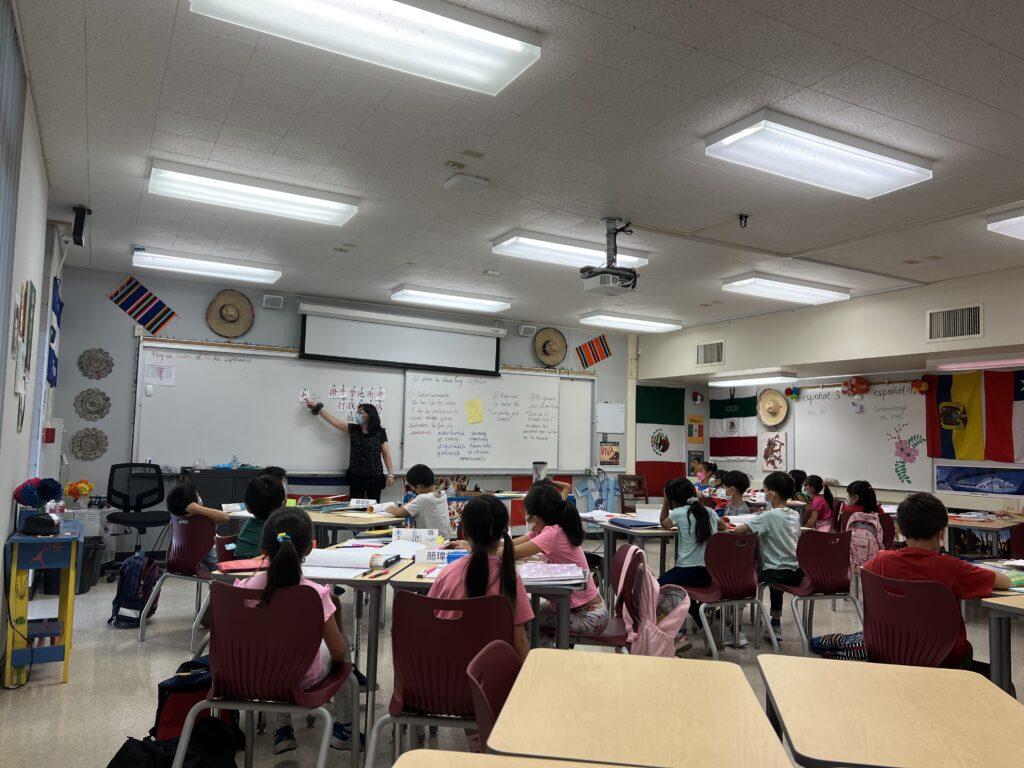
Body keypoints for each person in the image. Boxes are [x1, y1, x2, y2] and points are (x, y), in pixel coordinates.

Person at [234, 508, 361, 754]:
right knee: (343, 652)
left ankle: (282, 730)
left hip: (251, 676)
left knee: (275, 651)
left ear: (263, 549)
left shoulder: (244, 588)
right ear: (309, 548)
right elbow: (336, 652)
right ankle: (344, 730)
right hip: (302, 678)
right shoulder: (314, 594)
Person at [863, 493, 1010, 668]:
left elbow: (863, 571)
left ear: (900, 531)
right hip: (945, 657)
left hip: (888, 652)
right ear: (942, 532)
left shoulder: (882, 560)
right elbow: (1004, 582)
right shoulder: (952, 567)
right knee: (1001, 680)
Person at [428, 495, 533, 661]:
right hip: (490, 679)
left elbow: (429, 621)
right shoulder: (509, 578)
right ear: (504, 533)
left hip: (444, 674)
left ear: (464, 533)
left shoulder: (447, 573)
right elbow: (519, 642)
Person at [512, 483, 608, 635]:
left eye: (529, 518)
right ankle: (544, 652)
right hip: (585, 610)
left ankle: (539, 657)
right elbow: (510, 544)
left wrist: (476, 548)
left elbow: (511, 552)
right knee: (527, 609)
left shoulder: (551, 534)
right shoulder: (552, 524)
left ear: (535, 518)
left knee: (525, 618)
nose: (529, 523)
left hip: (590, 616)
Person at [731, 471, 802, 640]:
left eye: (764, 491)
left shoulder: (768, 516)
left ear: (771, 494)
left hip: (775, 572)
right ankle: (775, 624)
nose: (763, 494)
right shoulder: (795, 514)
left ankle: (735, 628)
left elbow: (740, 531)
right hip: (796, 573)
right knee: (776, 574)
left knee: (743, 578)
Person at [658, 478, 728, 626]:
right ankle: (702, 624)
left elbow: (663, 523)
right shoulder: (709, 512)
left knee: (656, 588)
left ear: (673, 499)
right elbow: (723, 526)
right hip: (710, 573)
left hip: (687, 571)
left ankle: (683, 626)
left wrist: (665, 501)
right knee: (681, 591)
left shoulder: (678, 513)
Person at [304, 399, 395, 500]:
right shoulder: (354, 429)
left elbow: (386, 454)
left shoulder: (380, 432)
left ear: (370, 415)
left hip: (374, 476)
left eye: (361, 413)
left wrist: (390, 474)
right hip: (356, 475)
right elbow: (334, 421)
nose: (358, 415)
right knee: (355, 507)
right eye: (357, 412)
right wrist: (319, 409)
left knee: (373, 507)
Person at [165, 482, 231, 570]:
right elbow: (226, 517)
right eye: (198, 496)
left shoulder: (175, 520)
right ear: (195, 503)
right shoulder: (203, 521)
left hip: (180, 562)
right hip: (211, 564)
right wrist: (199, 509)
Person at [384, 463, 452, 538]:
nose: (413, 491)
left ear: (419, 487)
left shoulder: (422, 498)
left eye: (413, 488)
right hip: (445, 539)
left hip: (431, 540)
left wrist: (389, 508)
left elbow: (401, 513)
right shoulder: (442, 494)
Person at [234, 475, 286, 559]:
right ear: (283, 503)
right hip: (257, 569)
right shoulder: (278, 529)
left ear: (248, 507)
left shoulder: (249, 525)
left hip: (242, 568)